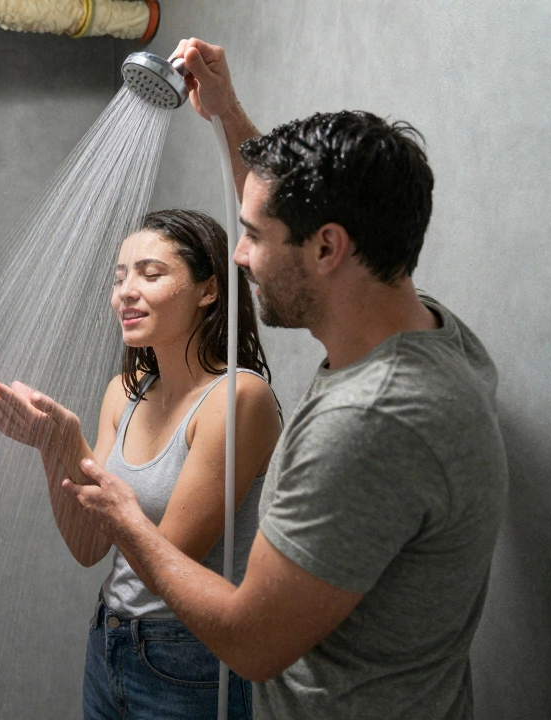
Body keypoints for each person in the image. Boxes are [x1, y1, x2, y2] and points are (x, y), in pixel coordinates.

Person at [60, 38, 508, 720]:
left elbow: (250, 642)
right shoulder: (436, 334)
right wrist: (227, 114)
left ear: (328, 247)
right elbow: (299, 204)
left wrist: (125, 517)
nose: (239, 256)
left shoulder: (367, 423)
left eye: (253, 236)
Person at [0, 209, 282, 719]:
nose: (126, 293)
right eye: (120, 279)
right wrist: (53, 445)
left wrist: (72, 444)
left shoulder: (237, 400)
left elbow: (166, 567)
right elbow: (90, 545)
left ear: (208, 290)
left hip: (192, 658)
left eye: (150, 274)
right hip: (110, 636)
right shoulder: (125, 393)